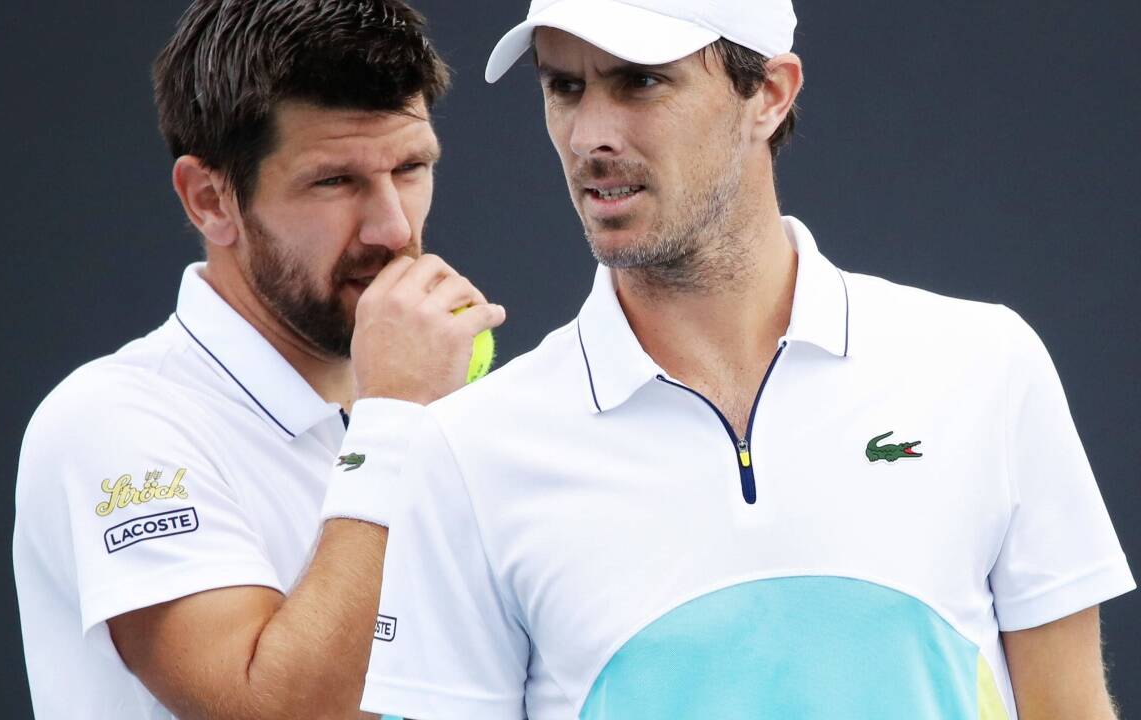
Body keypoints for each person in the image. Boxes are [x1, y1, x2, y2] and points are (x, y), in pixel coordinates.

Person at [340, 1, 1136, 718]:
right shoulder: (469, 449)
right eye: (566, 88)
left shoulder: (987, 365)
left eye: (641, 81)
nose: (589, 137)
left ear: (770, 94)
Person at [11, 1, 504, 717]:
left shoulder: (443, 413)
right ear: (210, 200)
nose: (393, 227)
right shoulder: (112, 421)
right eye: (334, 181)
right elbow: (279, 709)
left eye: (410, 167)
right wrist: (396, 418)